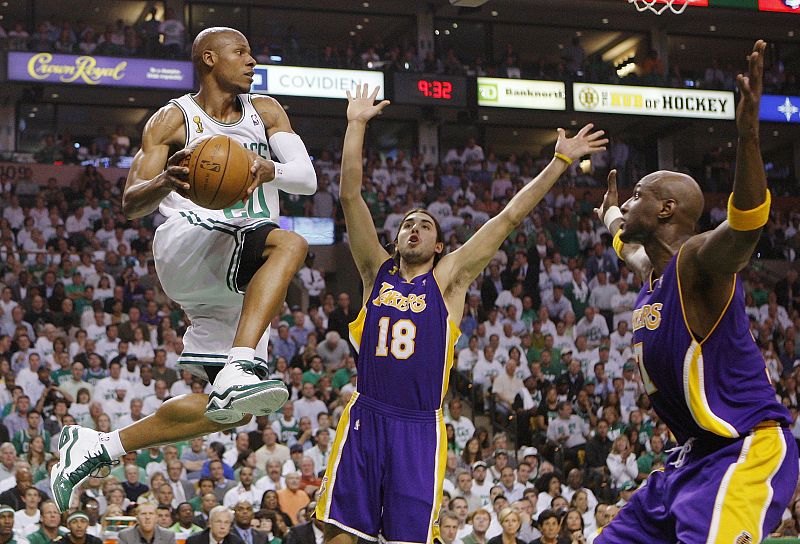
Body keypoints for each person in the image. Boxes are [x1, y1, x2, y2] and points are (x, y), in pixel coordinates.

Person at [315, 84, 606, 544]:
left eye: (424, 225)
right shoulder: (375, 272)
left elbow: (508, 218)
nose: (414, 229)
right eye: (408, 224)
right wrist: (355, 126)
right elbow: (351, 197)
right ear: (396, 240)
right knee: (340, 532)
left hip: (418, 427)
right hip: (366, 416)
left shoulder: (451, 281)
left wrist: (560, 162)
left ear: (439, 244)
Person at [50, 26, 317, 512]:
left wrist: (266, 169)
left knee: (229, 413)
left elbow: (307, 179)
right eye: (241, 52)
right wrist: (165, 181)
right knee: (292, 243)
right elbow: (131, 202)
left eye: (253, 52)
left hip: (234, 274)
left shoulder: (268, 112)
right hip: (188, 242)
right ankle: (240, 362)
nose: (252, 60)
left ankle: (95, 448)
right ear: (210, 58)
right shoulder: (174, 119)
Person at [593, 40, 798, 544]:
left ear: (666, 210)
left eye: (639, 194)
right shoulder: (655, 271)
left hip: (744, 450)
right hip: (688, 461)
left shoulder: (701, 261)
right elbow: (631, 250)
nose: (631, 200)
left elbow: (746, 226)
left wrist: (748, 138)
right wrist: (614, 222)